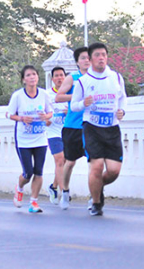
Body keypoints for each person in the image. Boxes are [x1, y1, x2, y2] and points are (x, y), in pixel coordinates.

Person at [70, 42, 127, 217]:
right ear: (90, 59)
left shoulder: (116, 77)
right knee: (96, 167)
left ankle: (96, 187)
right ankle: (96, 203)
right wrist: (83, 103)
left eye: (103, 54)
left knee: (114, 170)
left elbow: (123, 98)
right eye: (97, 55)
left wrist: (122, 110)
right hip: (92, 128)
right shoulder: (83, 82)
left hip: (112, 128)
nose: (101, 58)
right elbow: (74, 106)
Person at [8, 66, 53, 213]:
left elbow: (50, 112)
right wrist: (21, 118)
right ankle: (19, 187)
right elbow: (9, 114)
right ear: (23, 79)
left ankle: (34, 202)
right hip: (24, 140)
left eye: (34, 74)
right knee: (28, 173)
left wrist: (46, 117)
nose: (32, 77)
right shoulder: (18, 96)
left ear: (38, 77)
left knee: (39, 171)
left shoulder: (44, 94)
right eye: (28, 75)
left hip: (40, 138)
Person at [54, 46, 90, 210]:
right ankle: (65, 191)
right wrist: (78, 97)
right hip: (72, 126)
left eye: (89, 57)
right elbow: (59, 97)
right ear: (77, 62)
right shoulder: (72, 78)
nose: (87, 60)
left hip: (92, 127)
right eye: (83, 57)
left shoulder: (99, 79)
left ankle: (94, 197)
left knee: (94, 163)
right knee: (70, 163)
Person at [46, 67, 67, 205]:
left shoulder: (71, 93)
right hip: (53, 133)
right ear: (52, 79)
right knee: (59, 161)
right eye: (56, 76)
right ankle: (64, 192)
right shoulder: (47, 95)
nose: (59, 78)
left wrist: (69, 111)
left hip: (68, 132)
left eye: (61, 75)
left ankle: (53, 187)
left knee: (65, 162)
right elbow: (42, 113)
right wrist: (46, 119)